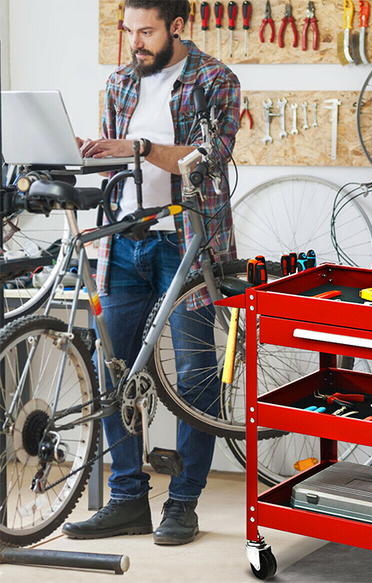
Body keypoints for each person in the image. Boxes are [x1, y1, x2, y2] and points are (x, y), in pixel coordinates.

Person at [62, 0, 240, 546]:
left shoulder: (216, 80)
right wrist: (90, 155)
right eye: (129, 31)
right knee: (110, 365)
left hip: (186, 249)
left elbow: (211, 159)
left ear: (177, 27)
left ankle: (183, 503)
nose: (135, 42)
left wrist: (139, 147)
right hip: (123, 242)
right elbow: (120, 163)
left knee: (192, 376)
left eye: (147, 32)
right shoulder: (119, 83)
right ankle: (126, 499)